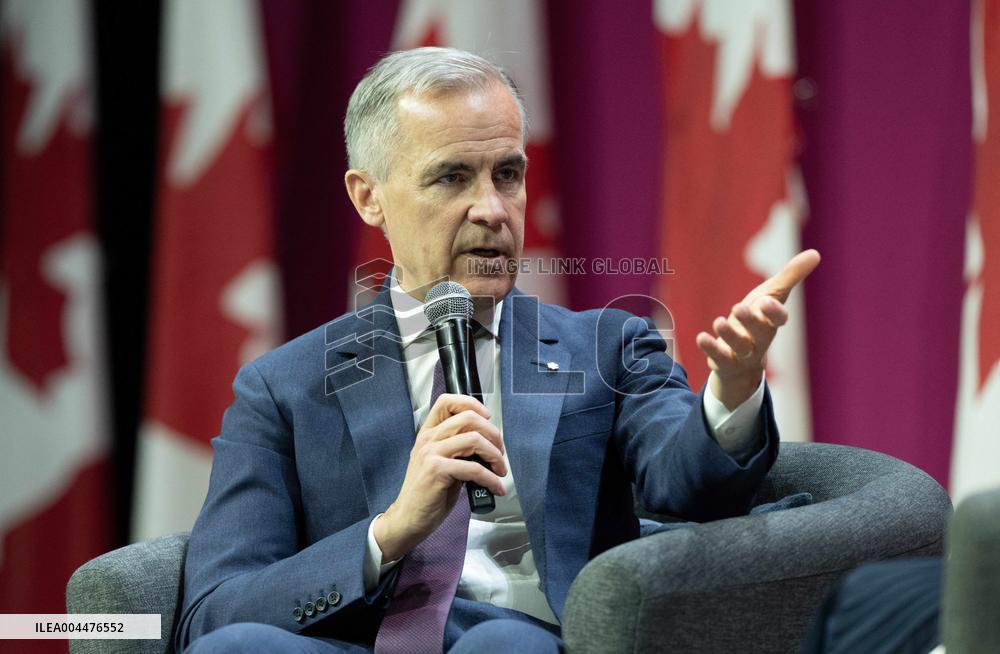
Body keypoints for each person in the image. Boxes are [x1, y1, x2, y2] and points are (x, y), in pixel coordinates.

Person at [175, 47, 821, 653]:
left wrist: (731, 392)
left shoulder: (606, 346)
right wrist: (392, 530)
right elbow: (213, 609)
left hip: (526, 637)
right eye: (452, 178)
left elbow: (688, 487)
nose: (492, 209)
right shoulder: (282, 387)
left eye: (506, 174)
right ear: (368, 197)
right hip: (362, 638)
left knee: (496, 645)